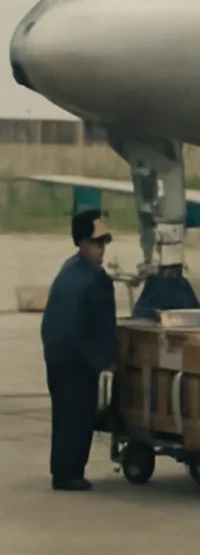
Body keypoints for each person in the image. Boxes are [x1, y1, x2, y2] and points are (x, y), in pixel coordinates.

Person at [40, 208, 118, 491]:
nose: (102, 249)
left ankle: (63, 469)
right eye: (98, 243)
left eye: (104, 243)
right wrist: (104, 360)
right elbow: (88, 327)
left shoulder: (70, 269)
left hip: (59, 357)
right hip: (76, 360)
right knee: (77, 416)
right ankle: (69, 474)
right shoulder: (92, 280)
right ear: (82, 243)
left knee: (65, 416)